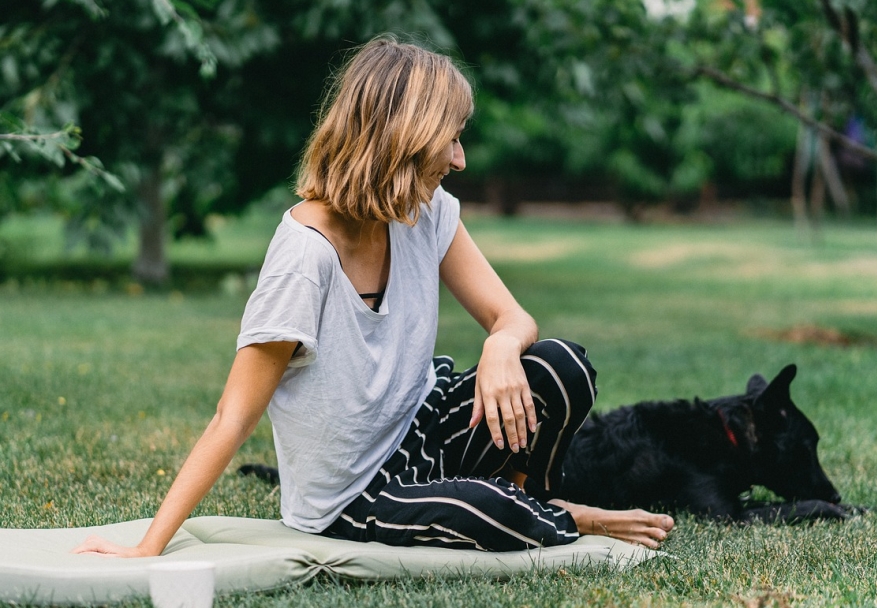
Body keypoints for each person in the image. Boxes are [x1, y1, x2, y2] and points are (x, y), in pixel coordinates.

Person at [73, 36, 673, 557]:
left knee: (560, 367)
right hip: (355, 495)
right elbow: (233, 416)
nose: (460, 159)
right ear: (406, 138)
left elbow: (512, 317)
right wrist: (148, 545)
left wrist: (500, 346)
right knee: (493, 513)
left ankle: (531, 500)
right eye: (452, 139)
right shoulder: (305, 259)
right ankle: (559, 513)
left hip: (425, 425)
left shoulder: (427, 212)